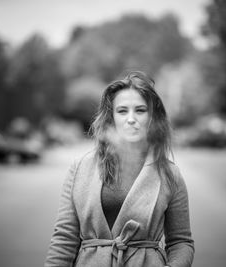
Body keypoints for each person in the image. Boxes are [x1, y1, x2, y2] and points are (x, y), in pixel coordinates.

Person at [44, 71, 194, 267]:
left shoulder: (169, 174)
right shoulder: (81, 168)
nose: (131, 118)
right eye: (122, 111)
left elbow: (181, 242)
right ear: (111, 117)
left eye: (140, 110)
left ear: (152, 117)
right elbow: (64, 239)